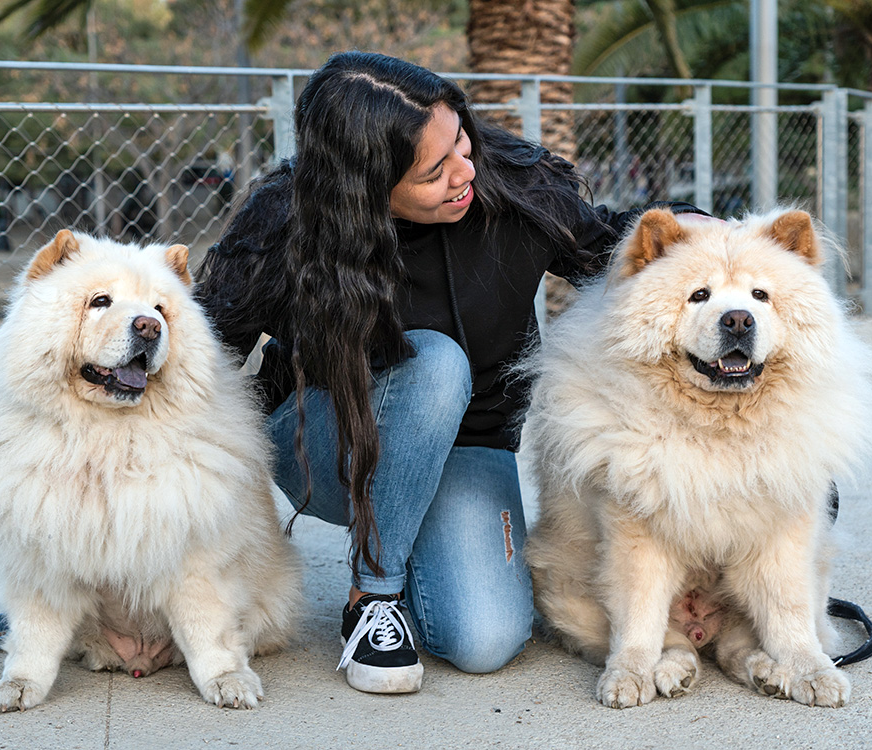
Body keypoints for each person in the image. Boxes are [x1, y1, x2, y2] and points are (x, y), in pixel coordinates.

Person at [196, 50, 701, 695]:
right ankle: (373, 596)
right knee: (434, 363)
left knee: (486, 640)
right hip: (333, 441)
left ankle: (411, 554)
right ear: (369, 191)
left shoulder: (516, 186)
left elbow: (615, 257)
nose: (464, 171)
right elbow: (204, 347)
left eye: (461, 139)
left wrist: (695, 235)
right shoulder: (287, 221)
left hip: (469, 440)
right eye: (434, 172)